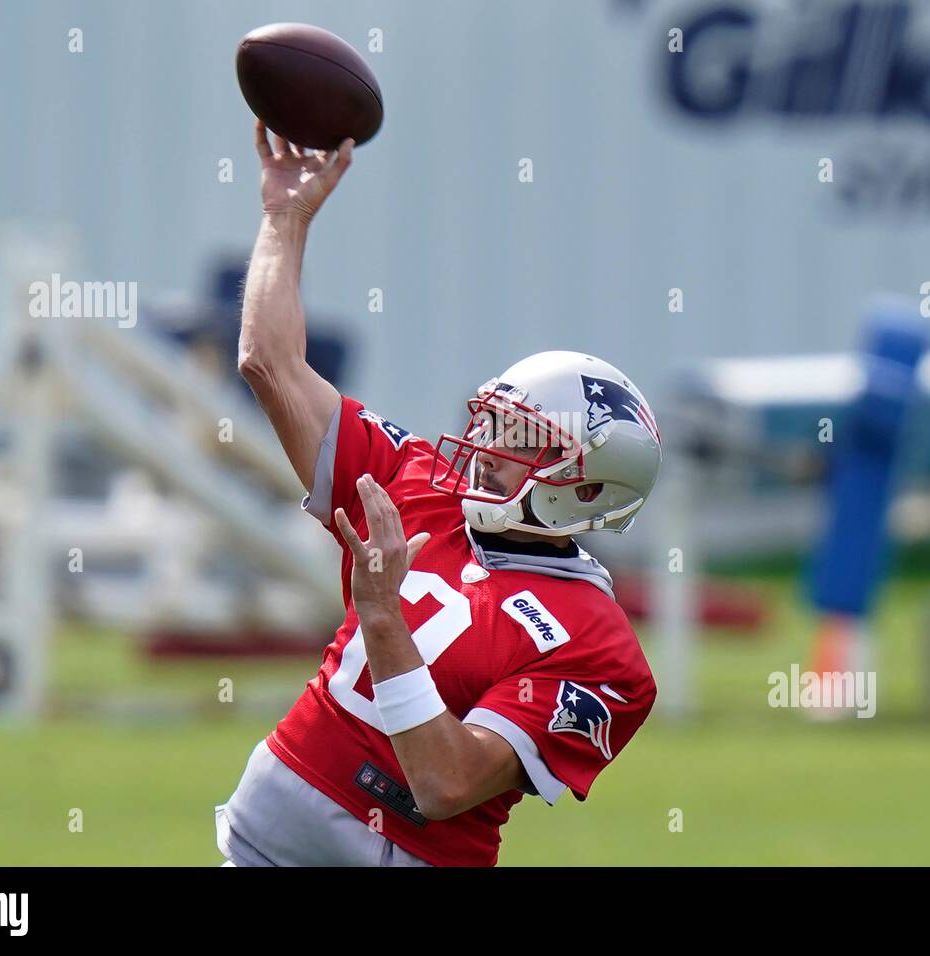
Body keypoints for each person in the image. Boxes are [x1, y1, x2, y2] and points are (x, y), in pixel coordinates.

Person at [215, 121, 661, 867]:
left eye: (520, 441)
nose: (485, 451)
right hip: (267, 837)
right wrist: (284, 217)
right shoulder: (418, 481)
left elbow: (444, 781)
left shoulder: (599, 649)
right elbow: (270, 363)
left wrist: (383, 617)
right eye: (491, 424)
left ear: (583, 484)